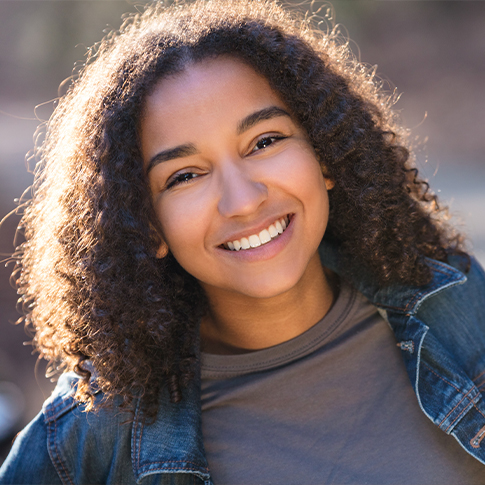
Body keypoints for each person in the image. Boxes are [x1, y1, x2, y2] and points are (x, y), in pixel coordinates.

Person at [1, 0, 485, 483]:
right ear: (145, 227)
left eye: (265, 142)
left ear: (326, 152)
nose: (243, 201)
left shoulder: (455, 309)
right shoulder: (90, 436)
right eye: (185, 175)